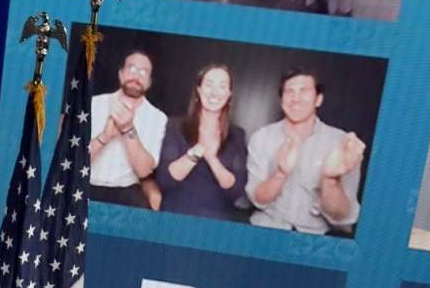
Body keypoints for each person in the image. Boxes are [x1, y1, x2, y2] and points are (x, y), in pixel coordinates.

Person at [245, 69, 364, 235]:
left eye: (304, 91)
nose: (295, 99)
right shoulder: (261, 137)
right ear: (281, 100)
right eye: (289, 92)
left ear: (318, 99)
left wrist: (330, 180)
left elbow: (342, 216)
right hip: (266, 229)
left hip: (314, 239)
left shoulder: (342, 144)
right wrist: (280, 173)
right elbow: (257, 200)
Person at [155, 63, 248, 220]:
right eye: (209, 84)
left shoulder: (237, 135)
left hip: (216, 220)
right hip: (174, 214)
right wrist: (197, 151)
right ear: (198, 90)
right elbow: (164, 181)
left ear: (229, 94)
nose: (214, 92)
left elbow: (236, 191)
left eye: (222, 86)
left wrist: (212, 158)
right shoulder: (174, 126)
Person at [88, 48, 167, 209]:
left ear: (149, 81)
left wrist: (128, 129)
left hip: (126, 191)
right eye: (131, 68)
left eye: (143, 72)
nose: (136, 75)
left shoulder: (158, 118)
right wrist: (105, 137)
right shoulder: (93, 104)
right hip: (85, 184)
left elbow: (145, 170)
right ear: (121, 74)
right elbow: (75, 157)